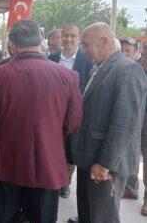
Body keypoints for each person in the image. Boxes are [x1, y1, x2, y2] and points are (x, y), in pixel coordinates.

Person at [0, 19, 83, 223]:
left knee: (5, 216)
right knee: (43, 217)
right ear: (41, 40)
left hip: (8, 160)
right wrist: (51, 134)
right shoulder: (68, 76)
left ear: (12, 44)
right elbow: (74, 120)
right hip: (49, 161)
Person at [69, 22, 146, 223]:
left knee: (102, 218)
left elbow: (124, 123)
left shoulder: (127, 70)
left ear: (104, 42)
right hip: (90, 159)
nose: (83, 50)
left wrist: (105, 164)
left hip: (104, 166)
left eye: (86, 45)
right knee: (88, 215)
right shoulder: (101, 67)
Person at [48, 23, 92, 198]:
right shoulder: (51, 58)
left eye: (72, 36)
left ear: (78, 38)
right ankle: (54, 177)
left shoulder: (86, 60)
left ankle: (65, 181)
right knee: (53, 147)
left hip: (75, 114)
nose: (68, 39)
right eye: (65, 35)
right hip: (53, 113)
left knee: (70, 149)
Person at [122, 41, 147, 216]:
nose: (144, 57)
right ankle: (130, 188)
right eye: (144, 54)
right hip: (135, 114)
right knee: (130, 151)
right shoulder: (136, 67)